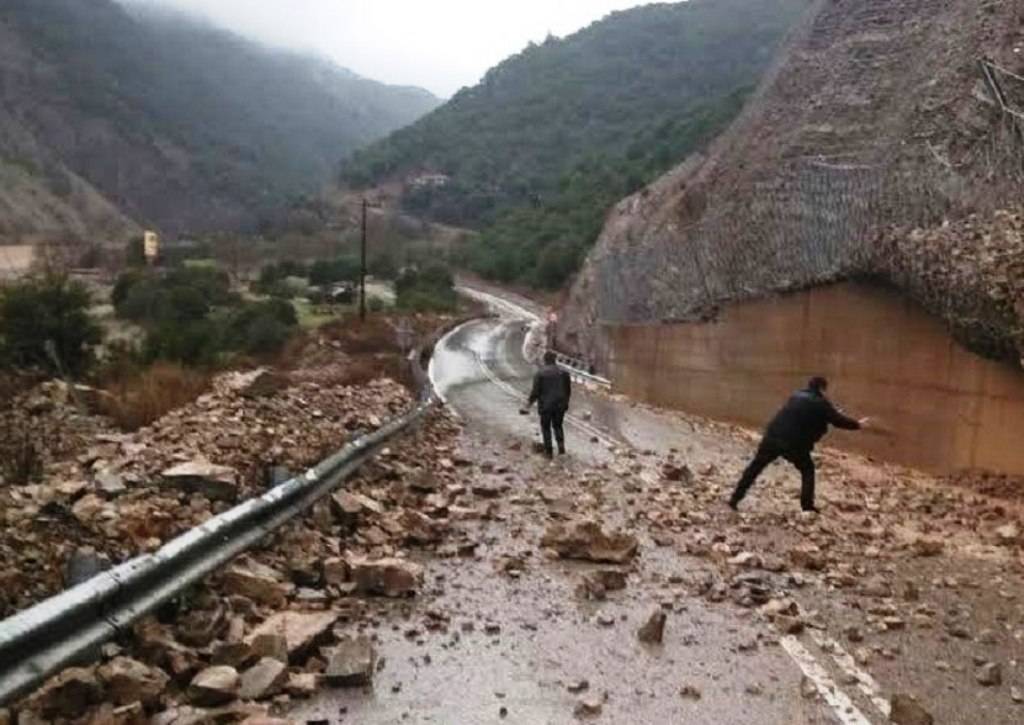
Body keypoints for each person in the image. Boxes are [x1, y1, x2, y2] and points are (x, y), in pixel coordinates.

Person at [728, 376, 870, 513]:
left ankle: (734, 499)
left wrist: (828, 413)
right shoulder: (822, 404)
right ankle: (807, 506)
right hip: (793, 445)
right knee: (808, 470)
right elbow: (838, 421)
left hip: (772, 437)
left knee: (755, 467)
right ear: (822, 388)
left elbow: (809, 414)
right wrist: (858, 424)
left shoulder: (796, 395)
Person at [521, 351, 572, 458]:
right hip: (560, 405)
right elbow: (568, 390)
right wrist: (566, 403)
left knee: (546, 427)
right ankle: (561, 449)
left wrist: (528, 404)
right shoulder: (564, 372)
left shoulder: (540, 373)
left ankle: (548, 452)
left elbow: (535, 392)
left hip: (546, 405)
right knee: (558, 426)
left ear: (545, 360)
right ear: (555, 360)